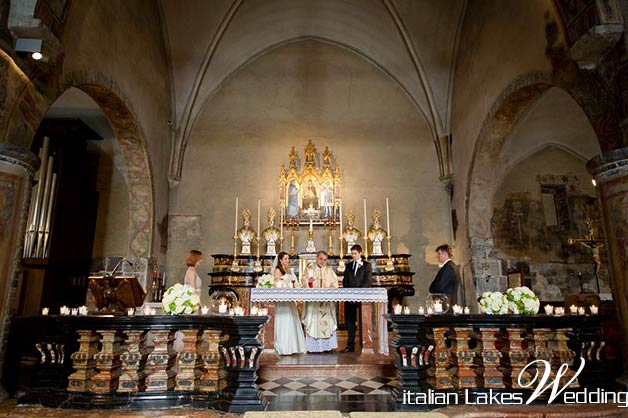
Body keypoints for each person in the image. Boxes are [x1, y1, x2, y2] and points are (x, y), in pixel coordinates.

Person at [302, 251, 338, 353]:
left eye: (325, 260)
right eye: (321, 259)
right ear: (317, 258)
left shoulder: (329, 271)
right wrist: (309, 282)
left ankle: (327, 347)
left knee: (327, 323)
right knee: (313, 322)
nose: (323, 261)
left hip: (326, 302)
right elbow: (304, 280)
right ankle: (313, 347)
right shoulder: (310, 269)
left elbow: (334, 283)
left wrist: (332, 287)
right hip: (314, 302)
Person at [273, 252, 306, 355]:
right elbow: (277, 283)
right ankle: (283, 347)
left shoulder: (290, 271)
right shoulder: (278, 270)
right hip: (282, 300)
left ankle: (292, 347)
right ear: (280, 260)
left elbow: (295, 283)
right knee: (284, 320)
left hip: (290, 300)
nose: (288, 261)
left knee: (292, 320)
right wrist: (285, 283)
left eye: (288, 259)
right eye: (286, 259)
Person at [341, 244, 372, 352]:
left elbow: (368, 281)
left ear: (360, 253)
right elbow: (345, 280)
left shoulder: (367, 265)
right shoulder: (349, 266)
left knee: (363, 319)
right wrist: (349, 293)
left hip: (362, 297)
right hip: (350, 297)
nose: (353, 255)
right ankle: (350, 345)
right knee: (350, 321)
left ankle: (365, 344)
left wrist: (359, 293)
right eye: (352, 253)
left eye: (355, 253)